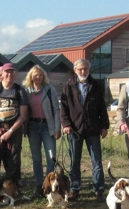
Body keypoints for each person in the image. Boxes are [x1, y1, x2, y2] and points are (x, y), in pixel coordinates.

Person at [60, 59, 109, 201]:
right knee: (74, 161)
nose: (83, 72)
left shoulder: (96, 86)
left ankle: (99, 189)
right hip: (74, 130)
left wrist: (104, 126)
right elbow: (63, 108)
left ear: (89, 70)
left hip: (93, 129)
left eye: (85, 69)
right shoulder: (68, 86)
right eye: (80, 69)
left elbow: (102, 107)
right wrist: (66, 124)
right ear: (75, 70)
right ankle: (74, 189)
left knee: (97, 162)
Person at [0, 63, 28, 182]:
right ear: (2, 74)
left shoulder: (20, 91)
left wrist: (10, 131)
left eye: (12, 72)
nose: (9, 74)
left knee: (13, 160)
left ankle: (13, 189)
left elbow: (23, 115)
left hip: (14, 131)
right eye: (7, 72)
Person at [24, 65, 61, 197]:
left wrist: (57, 128)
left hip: (47, 126)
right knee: (36, 159)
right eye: (35, 75)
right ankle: (39, 186)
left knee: (51, 158)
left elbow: (57, 109)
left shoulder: (49, 90)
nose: (38, 77)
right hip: (33, 126)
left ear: (43, 76)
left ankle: (50, 186)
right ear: (31, 77)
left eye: (40, 75)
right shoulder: (27, 91)